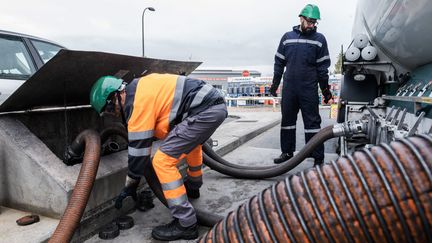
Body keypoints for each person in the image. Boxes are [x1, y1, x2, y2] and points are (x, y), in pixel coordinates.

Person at [89, 73, 227, 241]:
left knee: (162, 161)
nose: (114, 113)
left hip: (205, 111)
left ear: (118, 93)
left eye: (111, 108)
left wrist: (131, 184)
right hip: (212, 107)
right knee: (192, 145)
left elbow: (139, 152)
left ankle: (186, 223)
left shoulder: (137, 102)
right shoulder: (141, 87)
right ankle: (193, 186)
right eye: (109, 112)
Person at [269, 4, 333, 165]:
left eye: (314, 22)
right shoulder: (287, 37)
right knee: (287, 122)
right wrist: (274, 85)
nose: (312, 25)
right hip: (289, 88)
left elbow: (322, 69)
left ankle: (317, 157)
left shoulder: (319, 40)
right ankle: (287, 152)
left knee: (312, 123)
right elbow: (278, 64)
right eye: (310, 21)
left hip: (308, 89)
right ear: (301, 18)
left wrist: (326, 92)